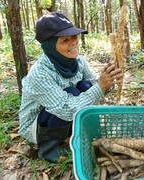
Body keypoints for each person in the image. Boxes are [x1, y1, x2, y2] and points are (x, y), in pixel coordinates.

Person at [18, 12, 123, 163]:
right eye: (65, 40)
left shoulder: (78, 61)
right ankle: (50, 149)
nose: (73, 42)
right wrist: (101, 86)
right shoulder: (40, 73)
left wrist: (110, 80)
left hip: (66, 112)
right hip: (38, 126)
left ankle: (74, 133)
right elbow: (66, 108)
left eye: (74, 37)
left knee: (86, 86)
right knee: (72, 92)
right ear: (50, 46)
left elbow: (95, 86)